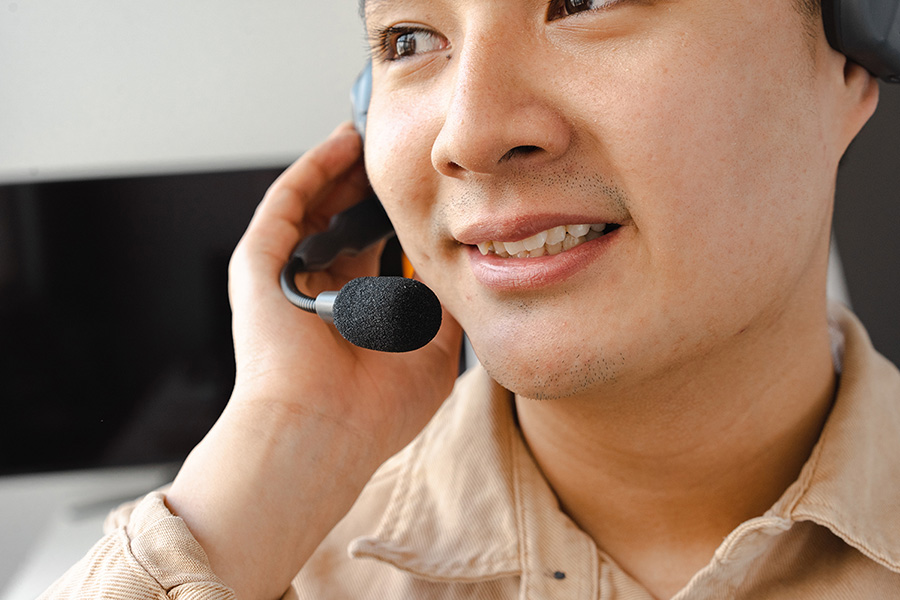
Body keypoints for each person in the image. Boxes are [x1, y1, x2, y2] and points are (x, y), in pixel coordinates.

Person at [41, 0, 900, 598]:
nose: (471, 133)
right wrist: (276, 453)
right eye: (409, 39)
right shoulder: (255, 562)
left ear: (852, 56)